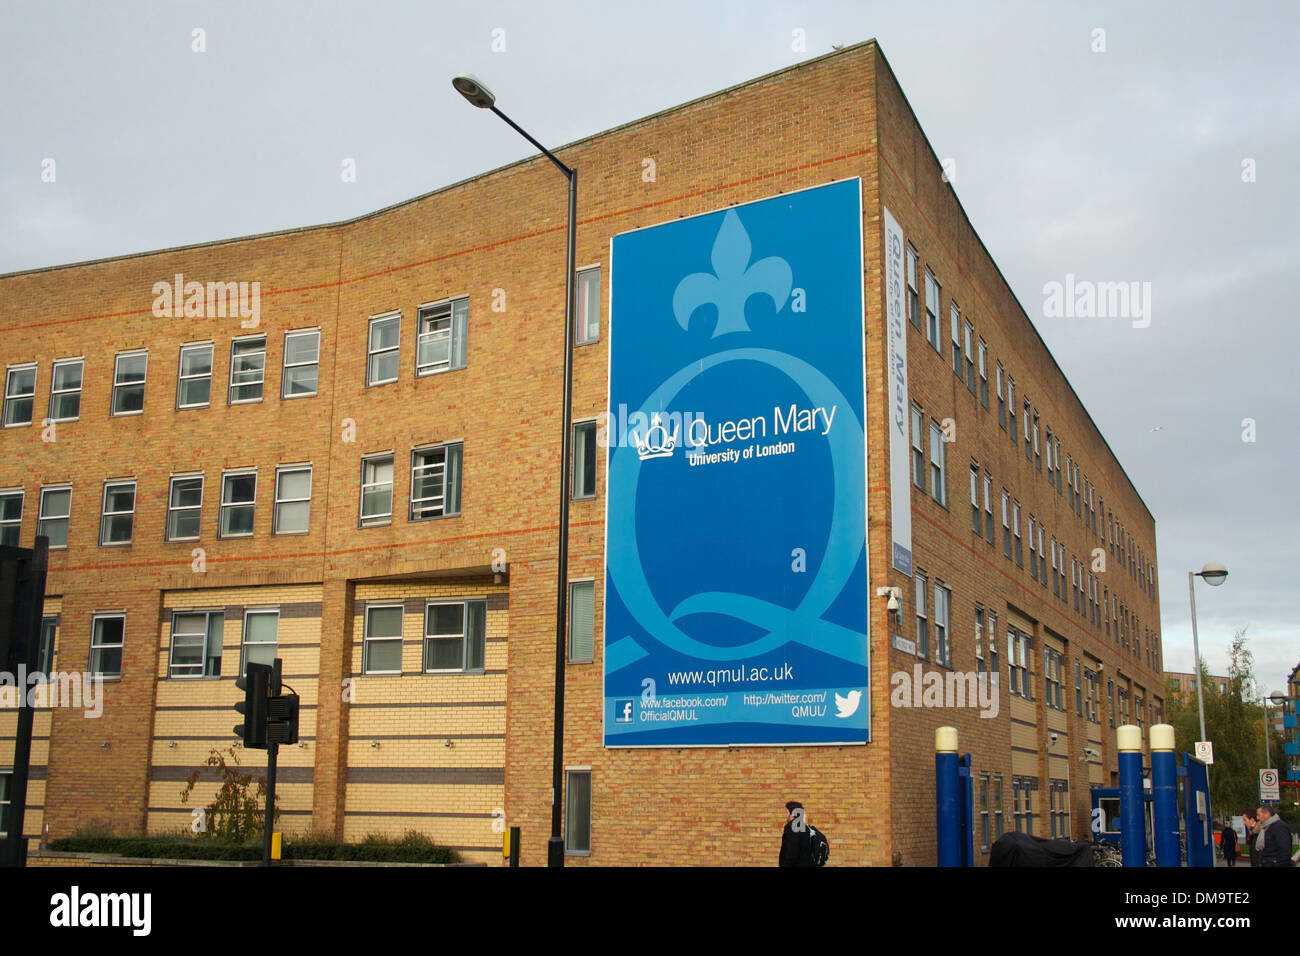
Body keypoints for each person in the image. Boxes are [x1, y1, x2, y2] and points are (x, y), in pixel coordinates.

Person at [779, 800, 814, 867]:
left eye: (787, 813)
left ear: (792, 814)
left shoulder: (791, 827)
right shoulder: (805, 827)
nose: (786, 816)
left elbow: (791, 852)